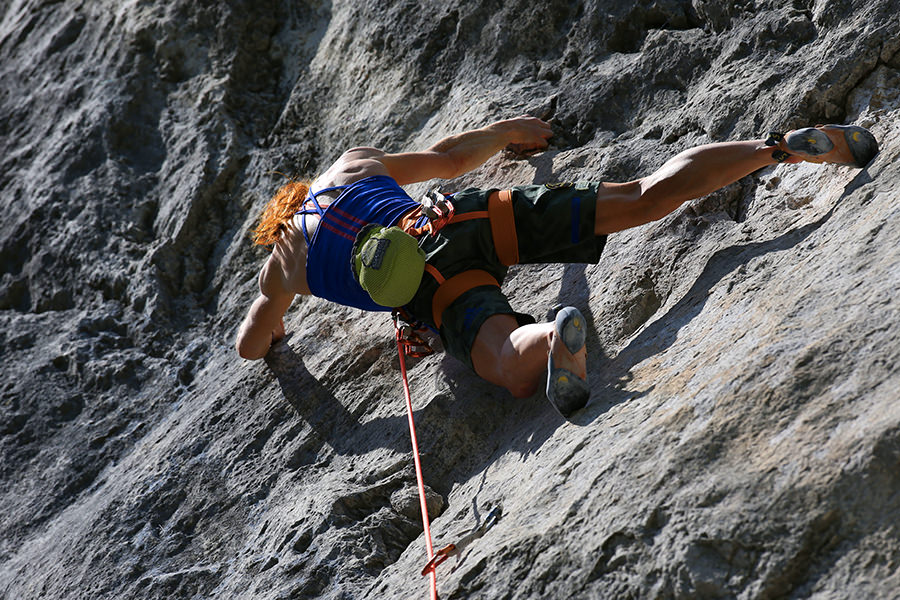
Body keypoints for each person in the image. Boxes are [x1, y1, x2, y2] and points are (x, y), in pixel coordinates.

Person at [235, 117, 877, 417]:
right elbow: (449, 156)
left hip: (440, 288)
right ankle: (778, 148)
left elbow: (252, 342)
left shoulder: (284, 264)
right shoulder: (350, 165)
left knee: (508, 366)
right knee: (643, 196)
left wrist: (273, 327)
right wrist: (507, 133)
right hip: (460, 217)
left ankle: (549, 336)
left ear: (275, 226)